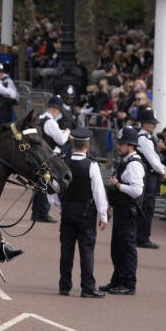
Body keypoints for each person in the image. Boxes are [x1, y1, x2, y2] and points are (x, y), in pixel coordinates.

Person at [58, 128, 109, 298]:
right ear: (87, 145)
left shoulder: (63, 162)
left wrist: (60, 206)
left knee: (66, 249)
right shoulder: (91, 165)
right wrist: (103, 215)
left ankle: (64, 285)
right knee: (86, 250)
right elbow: (98, 192)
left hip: (67, 210)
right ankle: (87, 287)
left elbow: (53, 189)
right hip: (86, 212)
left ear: (72, 144)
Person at [101, 127, 144, 295]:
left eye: (122, 143)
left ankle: (128, 283)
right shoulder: (127, 161)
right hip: (122, 210)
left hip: (128, 212)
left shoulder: (134, 164)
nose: (118, 146)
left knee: (126, 248)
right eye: (118, 143)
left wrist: (117, 185)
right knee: (117, 248)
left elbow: (137, 190)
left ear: (131, 145)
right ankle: (117, 280)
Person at [135, 109, 166, 249]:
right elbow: (153, 160)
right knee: (147, 207)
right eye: (150, 123)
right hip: (148, 176)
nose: (153, 125)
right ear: (143, 123)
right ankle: (142, 237)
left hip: (147, 175)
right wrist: (163, 171)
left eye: (154, 123)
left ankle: (140, 235)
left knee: (145, 206)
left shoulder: (146, 137)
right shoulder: (144, 138)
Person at [34, 95, 70, 222]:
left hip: (39, 155)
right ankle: (42, 213)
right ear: (55, 110)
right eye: (59, 111)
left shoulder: (39, 118)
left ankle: (37, 212)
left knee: (41, 184)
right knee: (47, 184)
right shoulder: (50, 122)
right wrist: (67, 132)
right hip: (48, 156)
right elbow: (60, 140)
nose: (59, 114)